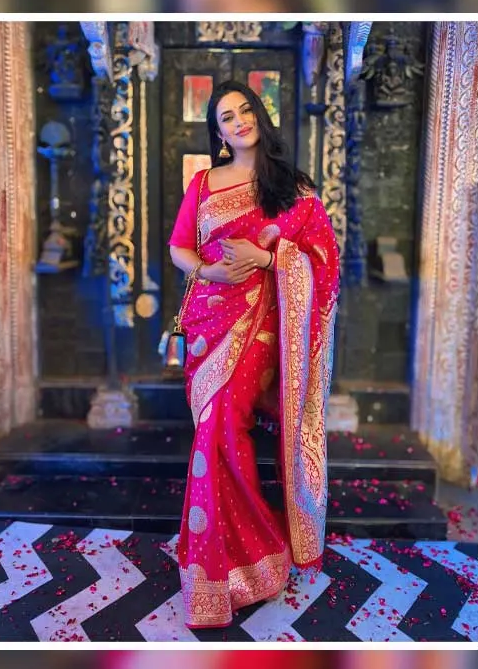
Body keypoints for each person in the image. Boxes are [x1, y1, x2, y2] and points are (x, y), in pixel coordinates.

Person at [167, 80, 341, 628]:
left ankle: (253, 553)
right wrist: (210, 270)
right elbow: (178, 248)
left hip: (262, 326)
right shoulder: (203, 182)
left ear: (259, 118)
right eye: (226, 116)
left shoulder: (291, 186)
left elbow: (323, 260)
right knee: (212, 432)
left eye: (245, 110)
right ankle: (228, 555)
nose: (238, 121)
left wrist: (268, 260)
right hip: (208, 323)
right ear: (217, 132)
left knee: (223, 425)